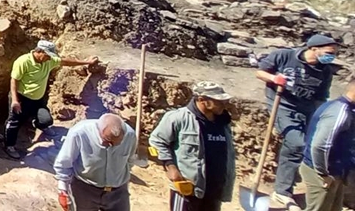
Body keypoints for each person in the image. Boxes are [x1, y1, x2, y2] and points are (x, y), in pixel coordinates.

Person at [255, 34, 341, 208]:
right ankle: (282, 191)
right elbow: (260, 71)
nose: (331, 56)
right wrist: (274, 78)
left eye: (334, 53)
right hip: (282, 105)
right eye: (329, 52)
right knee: (296, 143)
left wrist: (320, 118)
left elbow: (321, 97)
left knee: (312, 145)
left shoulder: (325, 70)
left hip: (308, 109)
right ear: (313, 48)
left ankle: (302, 184)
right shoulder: (285, 56)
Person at [3, 40, 100, 159]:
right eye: (48, 56)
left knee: (46, 120)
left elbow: (65, 61)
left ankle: (36, 123)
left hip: (38, 99)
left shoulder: (48, 61)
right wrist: (15, 100)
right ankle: (9, 146)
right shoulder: (23, 61)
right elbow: (14, 80)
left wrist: (86, 62)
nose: (50, 59)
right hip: (21, 97)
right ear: (40, 52)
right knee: (14, 122)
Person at [149, 82, 236, 211]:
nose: (223, 104)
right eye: (218, 101)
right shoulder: (178, 118)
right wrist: (170, 167)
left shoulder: (223, 122)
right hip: (189, 189)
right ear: (202, 100)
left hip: (215, 191)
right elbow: (157, 141)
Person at [53, 113, 138, 211]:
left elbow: (130, 161)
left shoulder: (130, 136)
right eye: (108, 142)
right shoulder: (80, 133)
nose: (112, 146)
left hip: (117, 193)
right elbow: (64, 162)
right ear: (99, 131)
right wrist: (62, 190)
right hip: (85, 190)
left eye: (117, 144)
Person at [300, 80, 355, 211]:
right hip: (322, 173)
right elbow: (320, 146)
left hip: (336, 171)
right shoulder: (339, 112)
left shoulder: (346, 109)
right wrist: (323, 174)